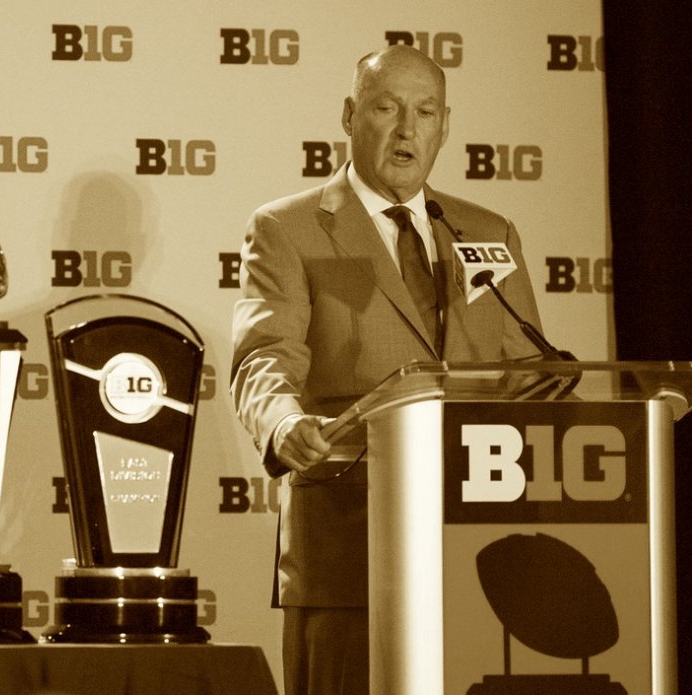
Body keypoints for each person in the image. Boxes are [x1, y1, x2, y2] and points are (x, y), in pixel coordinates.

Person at [229, 45, 545, 695]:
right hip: (348, 550)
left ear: (445, 126)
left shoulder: (487, 231)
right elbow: (264, 356)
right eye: (386, 107)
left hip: (480, 550)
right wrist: (285, 423)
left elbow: (529, 368)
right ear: (350, 116)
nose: (407, 128)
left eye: (425, 111)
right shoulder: (289, 228)